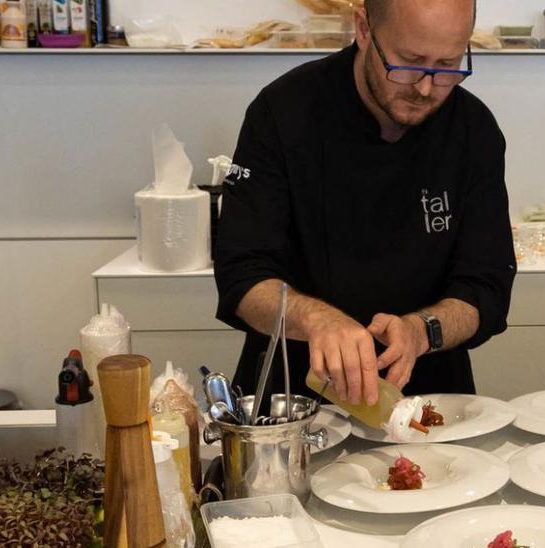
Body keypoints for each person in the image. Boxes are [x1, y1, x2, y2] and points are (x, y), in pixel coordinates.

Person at [213, 0, 515, 408]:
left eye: (447, 65)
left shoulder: (474, 132)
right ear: (364, 29)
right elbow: (242, 275)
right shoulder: (284, 112)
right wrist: (317, 319)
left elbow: (486, 286)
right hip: (294, 403)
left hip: (430, 403)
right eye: (408, 61)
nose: (426, 87)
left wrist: (422, 330)